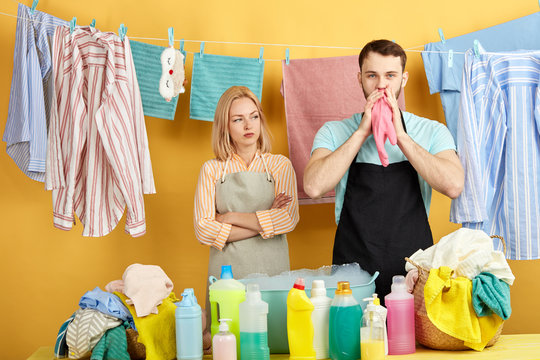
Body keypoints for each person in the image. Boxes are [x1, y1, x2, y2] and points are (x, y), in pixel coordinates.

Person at [303, 39, 464, 299]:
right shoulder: (334, 132)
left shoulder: (431, 131)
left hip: (413, 273)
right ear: (359, 79)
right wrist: (362, 132)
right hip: (352, 277)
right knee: (352, 339)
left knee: (412, 341)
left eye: (390, 75)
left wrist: (401, 136)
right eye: (372, 76)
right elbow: (313, 187)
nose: (381, 85)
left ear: (404, 79)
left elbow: (453, 185)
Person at [194, 85, 300, 339]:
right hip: (226, 276)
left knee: (272, 340)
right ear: (225, 126)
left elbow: (288, 218)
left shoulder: (280, 165)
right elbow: (204, 229)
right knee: (227, 341)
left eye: (254, 116)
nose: (248, 125)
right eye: (238, 119)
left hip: (272, 273)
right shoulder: (211, 170)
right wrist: (264, 222)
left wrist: (230, 218)